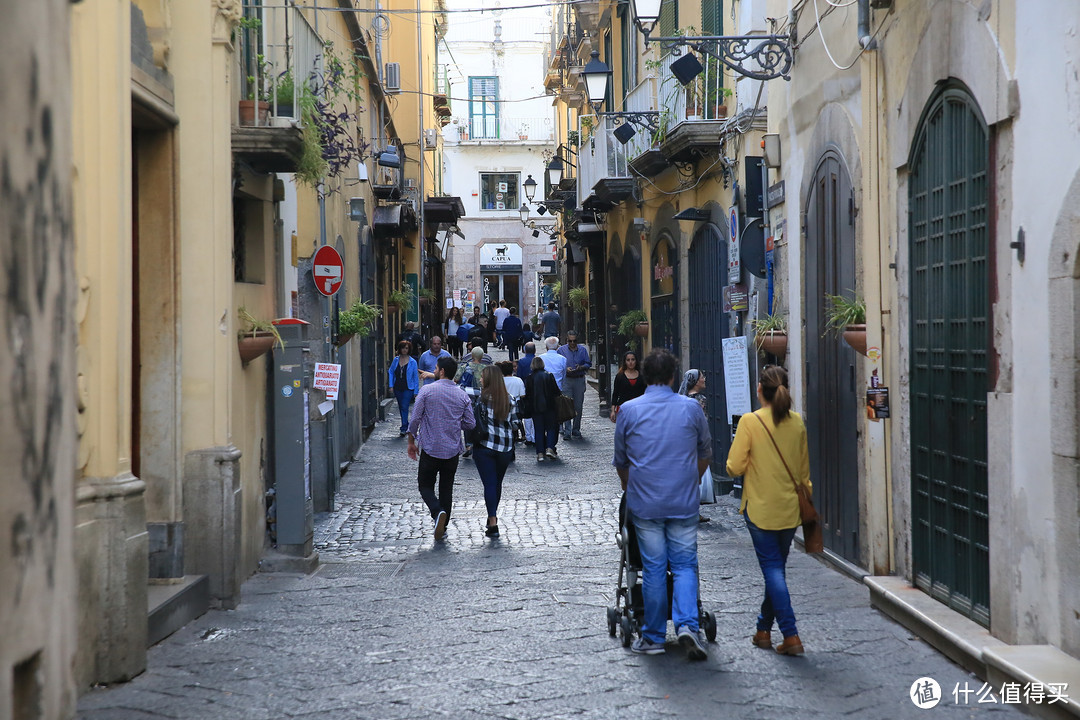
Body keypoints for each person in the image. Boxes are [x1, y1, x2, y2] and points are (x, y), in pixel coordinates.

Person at [613, 349, 712, 660]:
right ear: (672, 376)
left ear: (644, 376)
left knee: (654, 568)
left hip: (646, 503)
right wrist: (689, 481)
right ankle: (687, 626)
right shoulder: (691, 409)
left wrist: (631, 487)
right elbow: (705, 453)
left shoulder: (629, 410)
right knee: (684, 565)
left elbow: (621, 461)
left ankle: (654, 636)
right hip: (682, 501)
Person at [725, 365, 810, 657]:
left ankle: (791, 634)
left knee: (773, 571)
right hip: (789, 510)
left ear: (760, 390)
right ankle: (763, 630)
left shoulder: (750, 422)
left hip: (760, 509)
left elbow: (733, 467)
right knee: (776, 571)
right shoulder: (797, 422)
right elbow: (803, 475)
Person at [407, 356, 475, 541]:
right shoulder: (462, 394)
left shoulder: (427, 391)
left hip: (430, 447)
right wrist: (453, 422)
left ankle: (437, 512)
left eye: (436, 368)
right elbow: (470, 423)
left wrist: (411, 440)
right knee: (446, 488)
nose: (435, 371)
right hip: (451, 449)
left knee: (425, 485)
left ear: (442, 371)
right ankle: (442, 528)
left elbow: (415, 419)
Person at [472, 365, 520, 537]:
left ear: (489, 380)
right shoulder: (511, 399)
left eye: (483, 377)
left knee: (489, 483)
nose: (480, 379)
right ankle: (492, 515)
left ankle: (493, 521)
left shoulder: (481, 398)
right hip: (505, 448)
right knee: (497, 483)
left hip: (485, 445)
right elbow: (515, 424)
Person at [679, 369, 713, 522]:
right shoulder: (700, 400)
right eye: (702, 377)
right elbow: (703, 424)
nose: (704, 379)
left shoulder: (682, 400)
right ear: (695, 381)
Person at [524, 355, 560, 461]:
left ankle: (540, 453)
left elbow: (528, 394)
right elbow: (556, 391)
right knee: (551, 428)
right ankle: (550, 448)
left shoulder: (530, 378)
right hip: (549, 406)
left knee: (538, 430)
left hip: (535, 408)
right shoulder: (549, 376)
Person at [557, 330, 591, 438]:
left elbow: (588, 363)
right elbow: (558, 365)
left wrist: (581, 367)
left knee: (578, 406)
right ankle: (567, 431)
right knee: (567, 405)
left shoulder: (582, 350)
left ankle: (576, 429)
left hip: (579, 379)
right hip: (567, 380)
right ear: (567, 340)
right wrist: (565, 369)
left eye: (574, 341)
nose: (572, 343)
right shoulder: (561, 350)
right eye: (570, 341)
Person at [388, 340, 419, 436]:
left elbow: (415, 377)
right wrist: (391, 385)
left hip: (408, 388)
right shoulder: (396, 360)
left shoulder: (413, 362)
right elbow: (391, 372)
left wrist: (416, 391)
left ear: (409, 349)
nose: (404, 350)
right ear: (399, 349)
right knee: (401, 406)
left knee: (405, 406)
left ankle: (404, 427)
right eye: (403, 348)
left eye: (406, 348)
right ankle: (406, 423)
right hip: (398, 387)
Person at [609, 350, 645, 422]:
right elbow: (615, 394)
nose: (630, 362)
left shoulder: (642, 376)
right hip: (623, 408)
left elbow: (646, 393)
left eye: (633, 359)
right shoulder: (620, 376)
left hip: (639, 409)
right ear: (625, 362)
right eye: (628, 360)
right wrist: (613, 411)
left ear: (636, 361)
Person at [515, 341, 537, 445]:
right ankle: (535, 436)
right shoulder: (537, 360)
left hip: (525, 391)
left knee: (527, 415)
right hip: (536, 390)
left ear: (524, 350)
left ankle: (528, 436)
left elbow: (519, 376)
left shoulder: (522, 362)